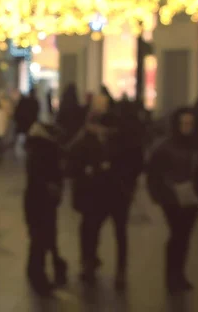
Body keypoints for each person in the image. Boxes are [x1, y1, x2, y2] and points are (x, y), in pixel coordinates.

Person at [68, 94, 133, 289]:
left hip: (117, 193)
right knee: (91, 229)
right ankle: (89, 262)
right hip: (95, 194)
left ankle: (120, 270)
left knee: (119, 232)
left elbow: (130, 161)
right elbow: (73, 161)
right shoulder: (84, 139)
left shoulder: (118, 137)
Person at [146, 108, 198, 293]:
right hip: (172, 198)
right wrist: (159, 195)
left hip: (192, 198)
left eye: (190, 124)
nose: (186, 127)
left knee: (184, 237)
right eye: (183, 123)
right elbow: (154, 174)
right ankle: (172, 276)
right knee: (177, 236)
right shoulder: (165, 147)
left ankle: (179, 274)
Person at [24, 121, 67, 295]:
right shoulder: (44, 150)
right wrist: (54, 188)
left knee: (40, 238)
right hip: (41, 201)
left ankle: (37, 272)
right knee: (41, 239)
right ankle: (38, 276)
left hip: (36, 200)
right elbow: (45, 175)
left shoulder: (37, 147)